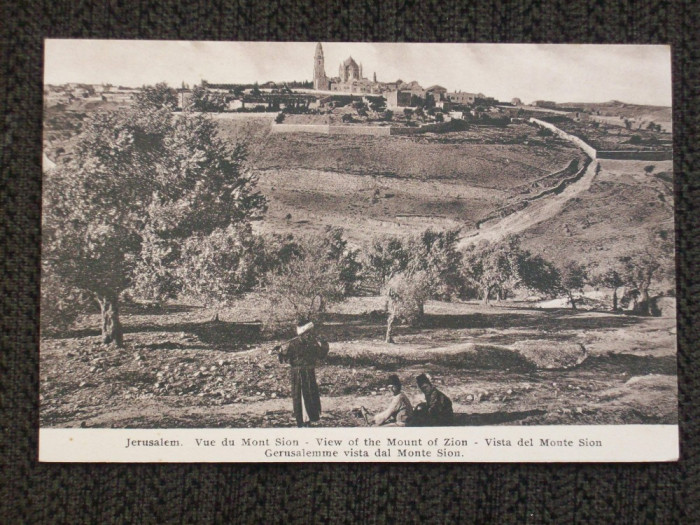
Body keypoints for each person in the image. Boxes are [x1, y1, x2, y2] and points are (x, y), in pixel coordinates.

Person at [277, 320, 330, 427]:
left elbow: (320, 355)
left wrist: (324, 344)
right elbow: (285, 357)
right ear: (302, 334)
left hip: (309, 372)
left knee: (310, 394)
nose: (309, 335)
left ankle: (310, 417)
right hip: (298, 374)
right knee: (299, 395)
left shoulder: (313, 343)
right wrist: (279, 351)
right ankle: (301, 419)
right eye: (307, 333)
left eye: (310, 333)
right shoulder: (293, 344)